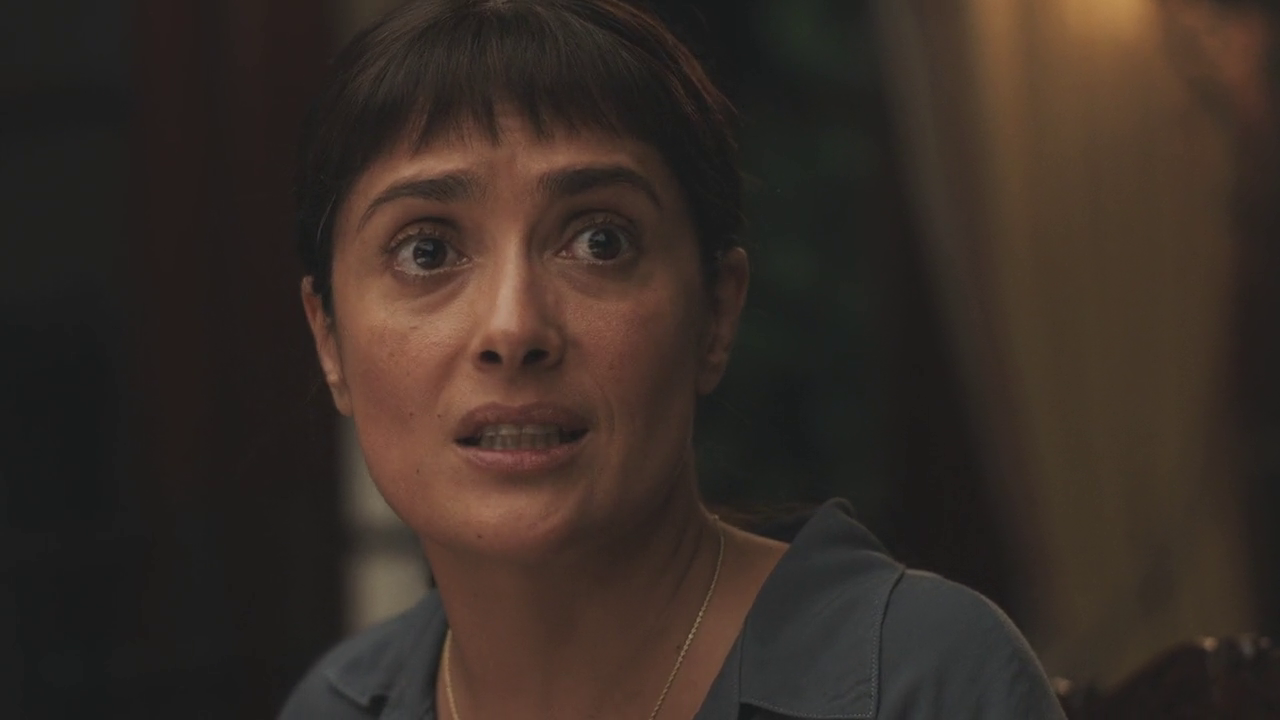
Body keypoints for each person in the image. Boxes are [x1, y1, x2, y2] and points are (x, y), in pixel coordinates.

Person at [280, 1, 1067, 717]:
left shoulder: (921, 681)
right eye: (426, 251)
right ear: (329, 340)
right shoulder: (340, 705)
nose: (513, 328)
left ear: (716, 313)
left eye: (600, 241)